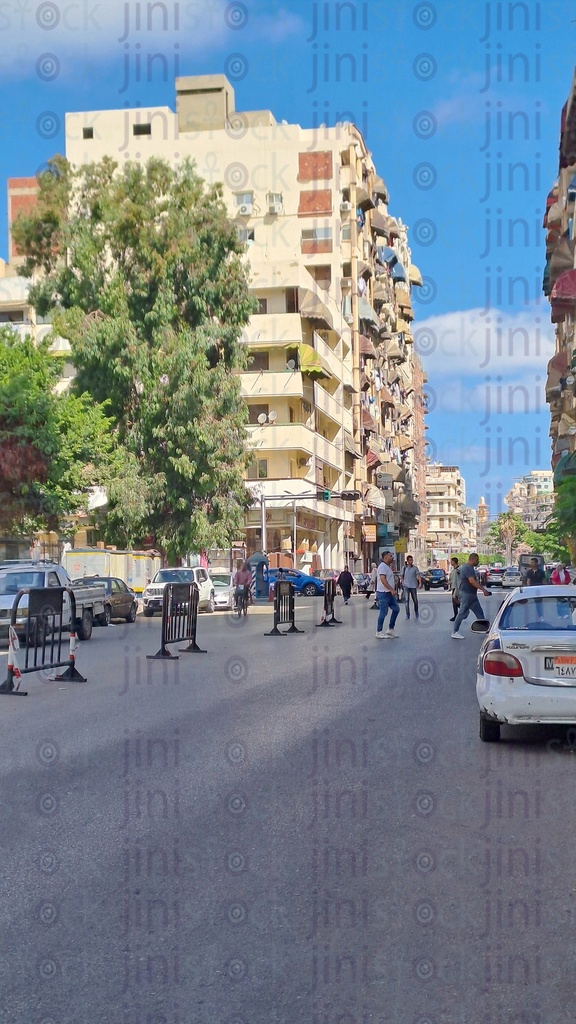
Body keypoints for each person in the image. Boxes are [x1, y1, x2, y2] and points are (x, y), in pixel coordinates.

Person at [451, 553, 490, 639]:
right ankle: (455, 632)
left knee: (479, 613)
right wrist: (483, 590)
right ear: (473, 559)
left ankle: (485, 630)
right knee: (461, 613)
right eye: (477, 560)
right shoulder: (466, 568)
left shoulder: (470, 568)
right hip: (466, 594)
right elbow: (472, 581)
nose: (478, 561)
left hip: (472, 595)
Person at [375, 550, 400, 639]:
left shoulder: (387, 567)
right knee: (383, 612)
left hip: (389, 593)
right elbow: (383, 579)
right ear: (385, 557)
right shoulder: (382, 567)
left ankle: (390, 629)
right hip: (383, 593)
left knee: (396, 609)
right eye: (390, 556)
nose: (392, 557)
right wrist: (391, 589)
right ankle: (379, 631)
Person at [402, 555, 422, 620]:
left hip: (413, 586)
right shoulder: (404, 568)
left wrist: (420, 583)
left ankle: (416, 612)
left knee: (415, 600)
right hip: (406, 586)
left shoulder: (415, 568)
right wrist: (402, 582)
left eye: (412, 560)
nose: (411, 561)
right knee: (406, 600)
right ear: (407, 561)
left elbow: (418, 576)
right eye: (410, 560)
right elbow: (401, 576)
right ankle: (407, 614)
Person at [449, 556, 460, 622]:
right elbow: (453, 580)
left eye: (451, 561)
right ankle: (456, 615)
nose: (451, 562)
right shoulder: (453, 570)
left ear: (454, 562)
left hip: (457, 587)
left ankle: (463, 610)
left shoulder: (458, 570)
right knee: (454, 603)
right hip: (453, 587)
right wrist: (448, 583)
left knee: (455, 599)